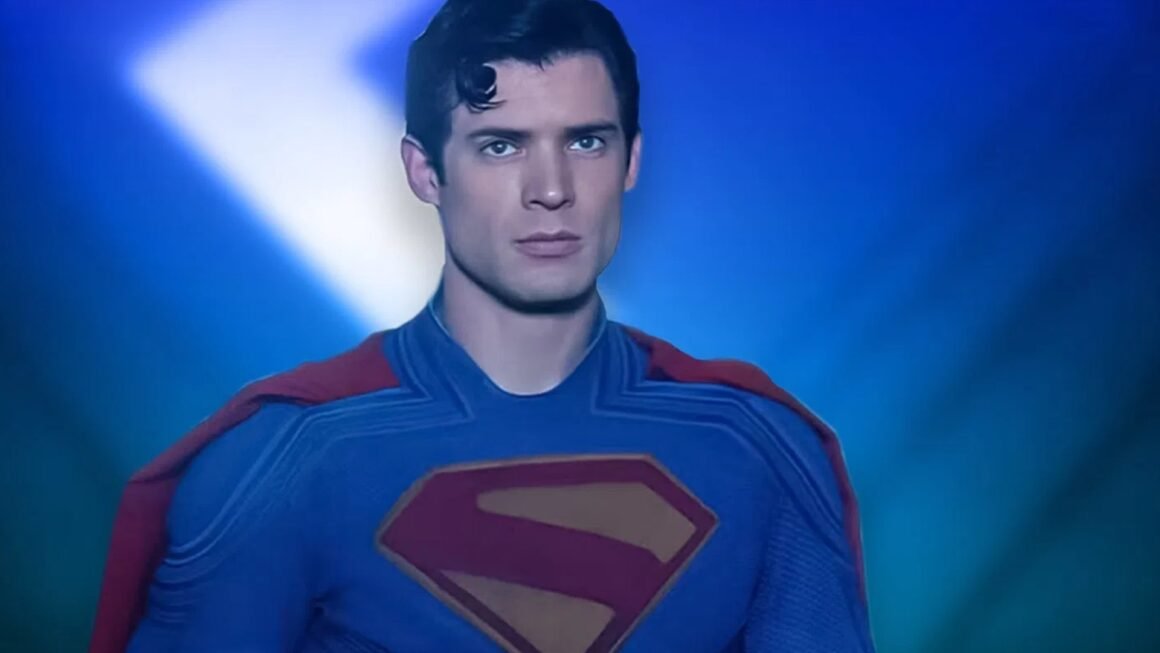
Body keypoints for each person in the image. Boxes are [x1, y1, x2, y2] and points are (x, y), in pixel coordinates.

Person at [90, 0, 874, 651]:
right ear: (425, 170)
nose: (551, 189)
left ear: (631, 160)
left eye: (586, 141)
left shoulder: (756, 447)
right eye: (501, 146)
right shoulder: (288, 462)